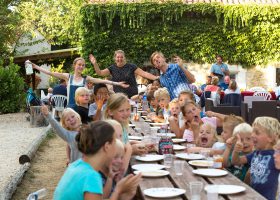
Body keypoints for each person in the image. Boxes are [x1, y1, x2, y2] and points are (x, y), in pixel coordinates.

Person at [53, 121, 142, 200]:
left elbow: (101, 197)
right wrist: (118, 191)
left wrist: (121, 193)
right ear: (107, 146)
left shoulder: (78, 164)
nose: (120, 143)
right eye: (115, 141)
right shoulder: (91, 176)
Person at [31, 57, 128, 108]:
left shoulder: (86, 78)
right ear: (74, 66)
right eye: (79, 65)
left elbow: (101, 80)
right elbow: (50, 73)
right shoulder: (68, 77)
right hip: (70, 108)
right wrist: (35, 67)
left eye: (83, 65)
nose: (81, 67)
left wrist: (117, 83)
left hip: (83, 109)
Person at [232, 117, 280, 200]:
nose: (252, 135)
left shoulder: (276, 156)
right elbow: (236, 161)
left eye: (257, 133)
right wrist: (236, 151)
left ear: (271, 138)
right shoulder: (255, 154)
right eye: (253, 132)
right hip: (253, 196)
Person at [89, 50, 158, 98]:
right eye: (118, 57)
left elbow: (144, 74)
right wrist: (95, 64)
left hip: (132, 96)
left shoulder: (131, 66)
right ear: (115, 58)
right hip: (119, 96)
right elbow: (100, 73)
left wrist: (157, 78)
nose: (120, 59)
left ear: (124, 58)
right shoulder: (112, 68)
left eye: (121, 57)